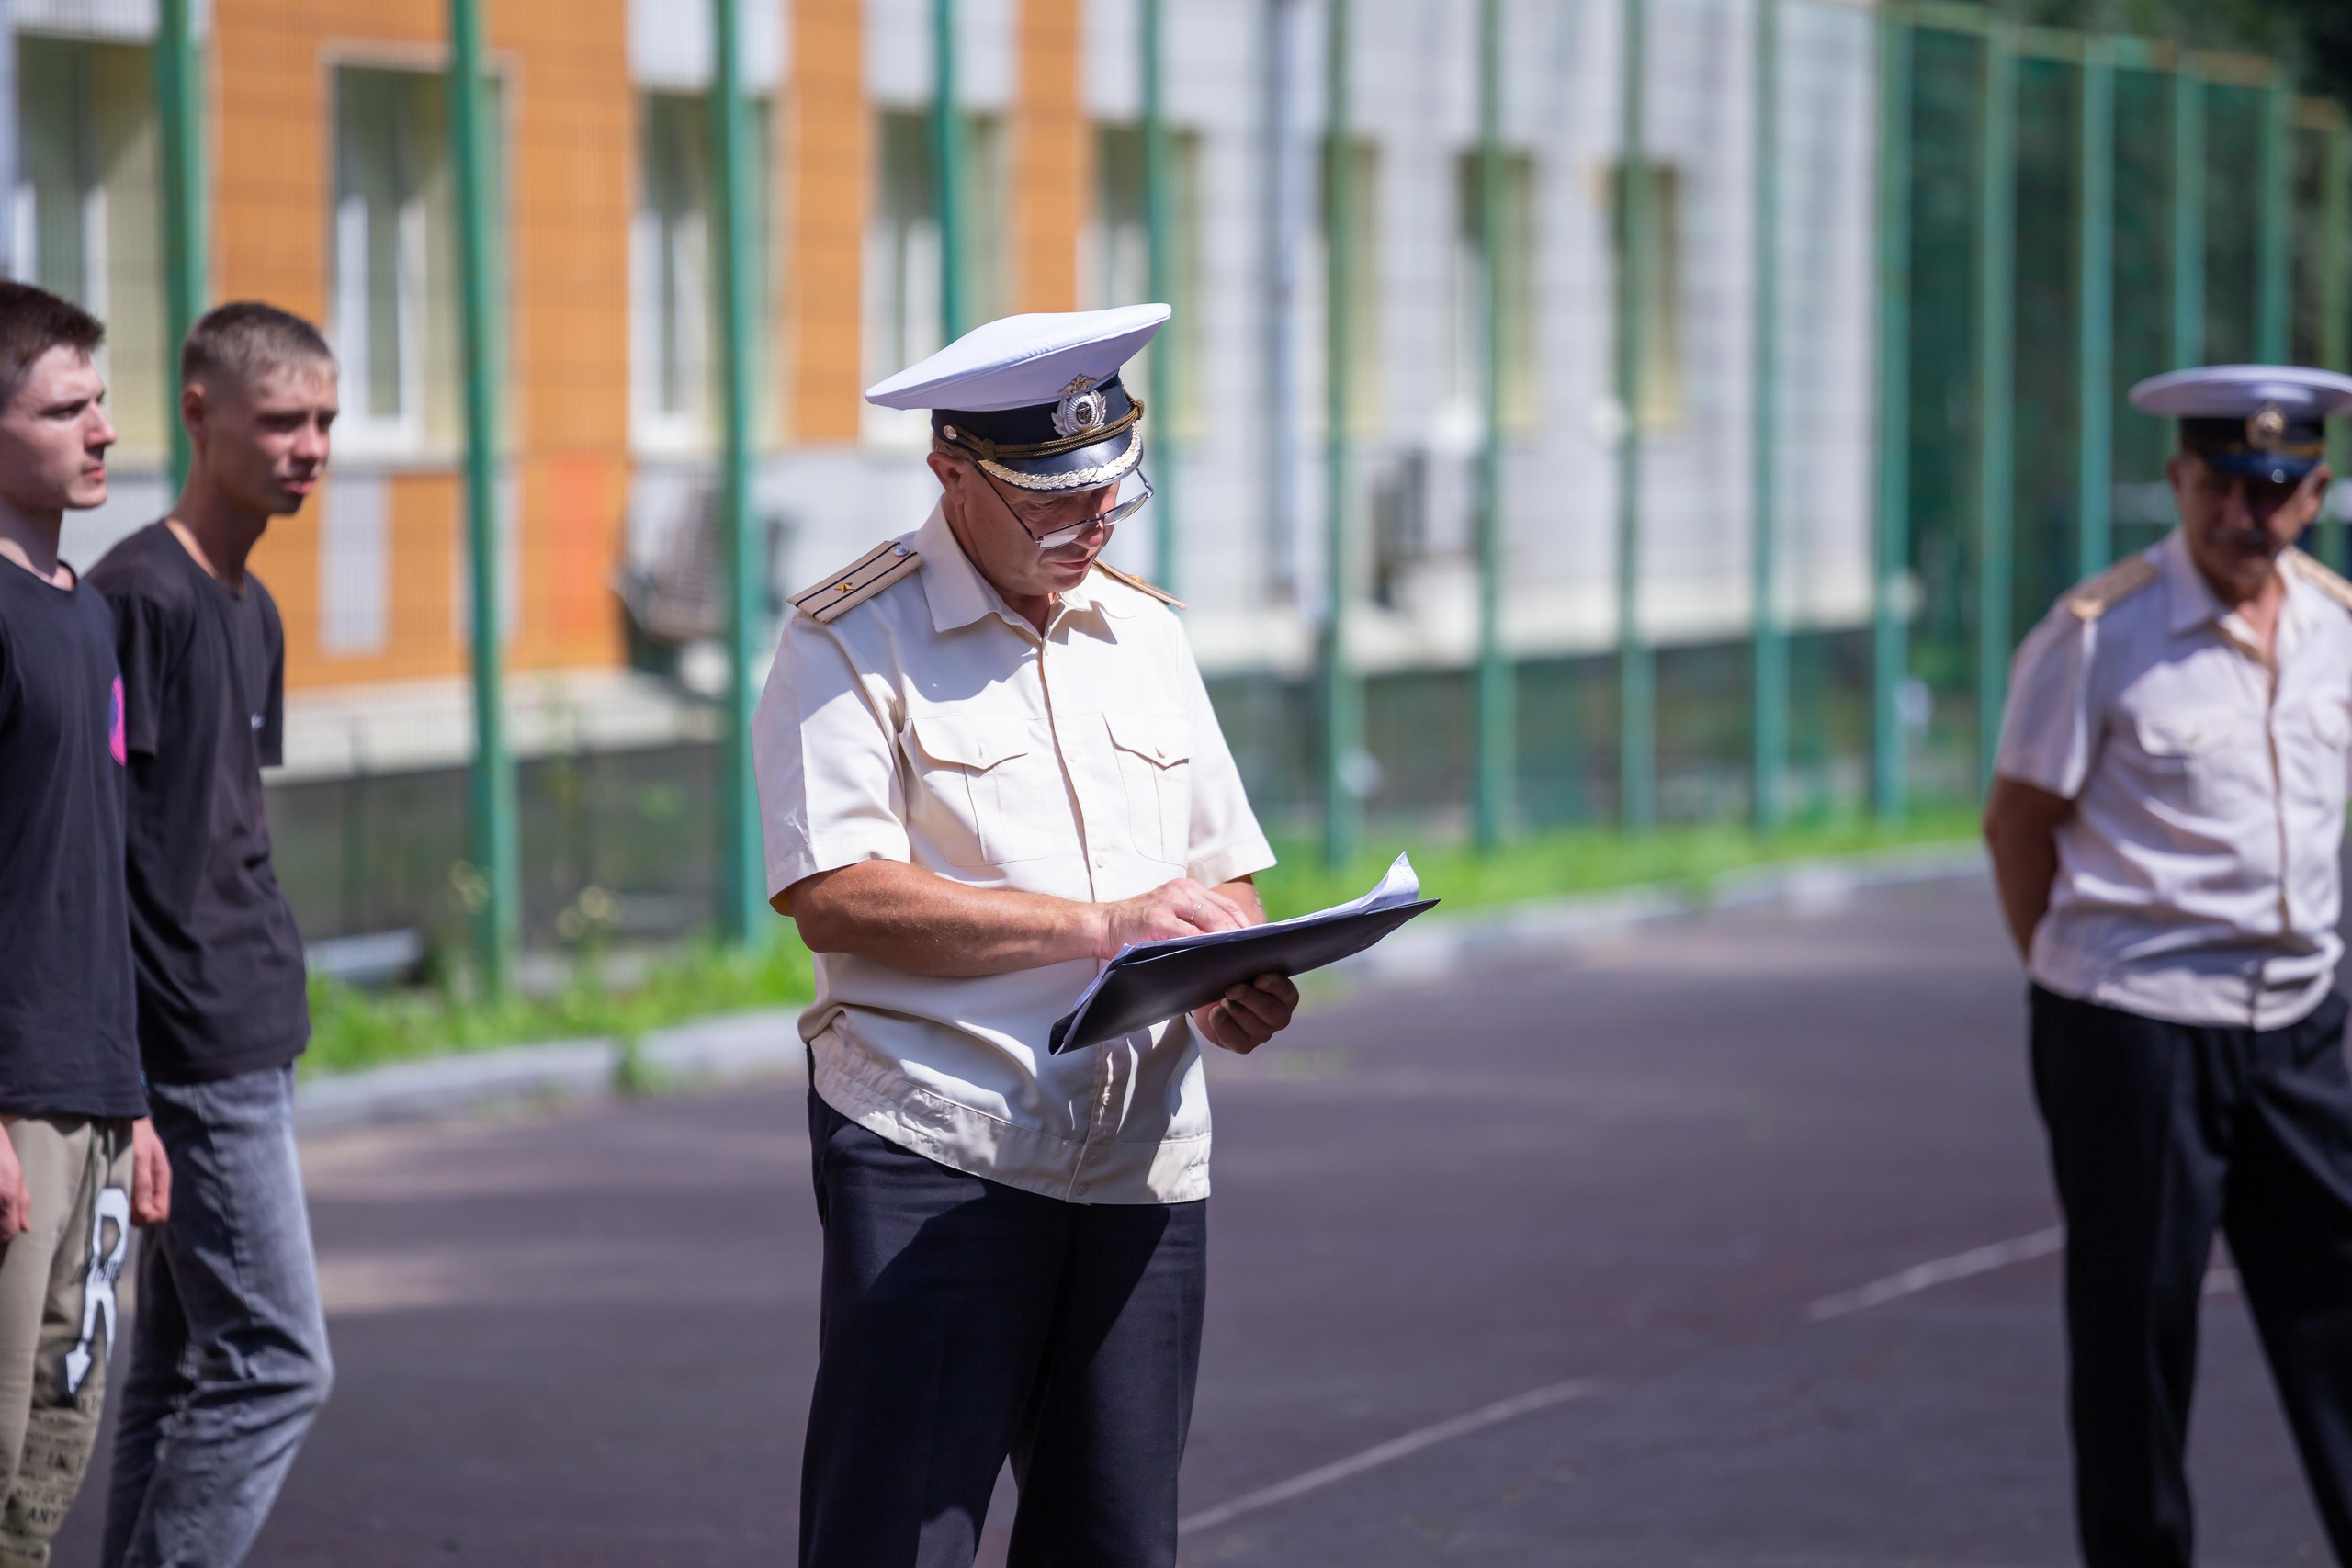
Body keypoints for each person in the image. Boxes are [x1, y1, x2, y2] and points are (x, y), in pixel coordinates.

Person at [753, 304, 1302, 1568]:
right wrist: (1106, 928)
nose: (1091, 527)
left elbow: (1227, 874)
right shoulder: (849, 633)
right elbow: (831, 892)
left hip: (1139, 1163)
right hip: (937, 1146)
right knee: (898, 1539)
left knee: (1116, 1546)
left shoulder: (1147, 631)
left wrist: (1235, 978)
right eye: (1053, 503)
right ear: (949, 472)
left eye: (1111, 493)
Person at [1984, 363, 2352, 1567]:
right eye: (2222, 487)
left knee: (2336, 1315)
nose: (2247, 517)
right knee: (2137, 1334)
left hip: (2299, 1018)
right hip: (2135, 1026)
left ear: (2317, 491)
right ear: (2179, 480)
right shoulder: (2100, 635)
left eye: (2276, 488)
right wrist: (2074, 980)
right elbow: (2020, 827)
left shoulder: (2340, 631)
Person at [87, 303, 337, 1568]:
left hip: (255, 1027)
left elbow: (229, 831)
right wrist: (125, 1083)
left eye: (326, 423)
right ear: (200, 412)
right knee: (278, 1364)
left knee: (183, 1368)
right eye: (282, 419)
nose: (310, 448)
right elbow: (105, 856)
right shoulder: (142, 597)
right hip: (193, 1047)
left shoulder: (253, 606)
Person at [0, 281, 171, 1562]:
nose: (103, 430)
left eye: (100, 400)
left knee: (53, 1455)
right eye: (66, 409)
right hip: (14, 1113)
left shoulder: (85, 607)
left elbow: (88, 870)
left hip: (96, 1100)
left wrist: (135, 1102)